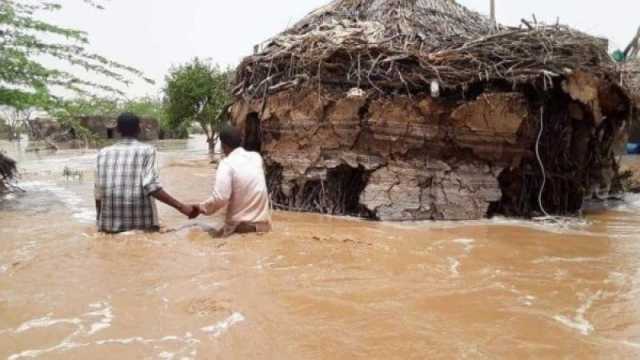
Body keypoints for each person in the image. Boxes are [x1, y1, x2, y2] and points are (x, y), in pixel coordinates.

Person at [95, 112, 198, 233]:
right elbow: (151, 186)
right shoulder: (147, 150)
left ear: (117, 129)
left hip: (108, 226)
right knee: (195, 227)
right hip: (140, 225)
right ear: (139, 129)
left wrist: (99, 221)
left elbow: (98, 192)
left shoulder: (103, 153)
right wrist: (182, 207)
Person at [197, 125, 271, 236]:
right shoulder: (256, 157)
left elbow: (220, 198)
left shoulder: (227, 164)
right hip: (264, 227)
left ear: (222, 145)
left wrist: (201, 208)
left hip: (240, 229)